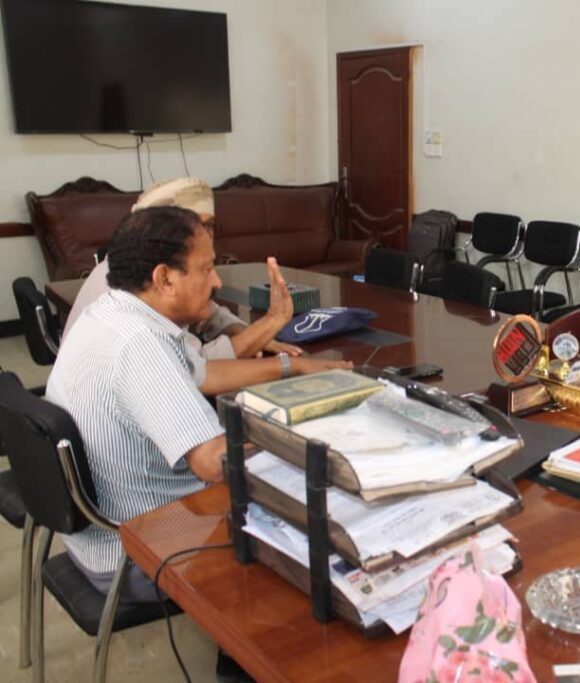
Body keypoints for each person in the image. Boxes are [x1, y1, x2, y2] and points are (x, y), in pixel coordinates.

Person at [45, 206, 351, 604]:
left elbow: (201, 373)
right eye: (206, 269)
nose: (217, 281)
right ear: (164, 278)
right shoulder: (140, 345)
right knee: (325, 522)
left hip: (97, 534)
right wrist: (314, 431)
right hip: (137, 553)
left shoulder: (109, 313)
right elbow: (212, 462)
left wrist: (291, 366)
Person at [64, 176, 302, 361]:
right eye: (199, 225)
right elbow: (196, 365)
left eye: (211, 226)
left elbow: (210, 314)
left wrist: (250, 335)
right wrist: (268, 327)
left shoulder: (149, 265)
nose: (207, 235)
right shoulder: (132, 285)